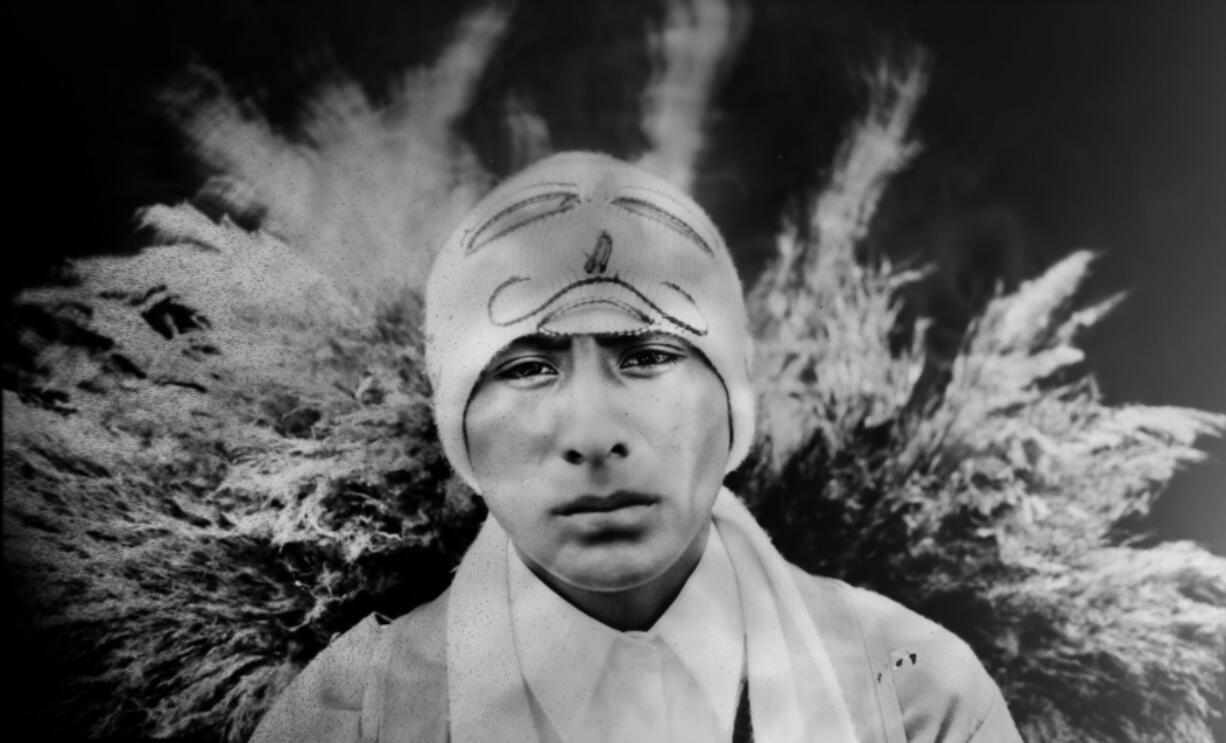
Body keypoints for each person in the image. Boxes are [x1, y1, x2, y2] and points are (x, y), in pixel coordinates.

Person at [250, 152, 1023, 743]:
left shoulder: (915, 698)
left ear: (733, 401)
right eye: (526, 367)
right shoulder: (351, 716)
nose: (592, 434)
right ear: (461, 435)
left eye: (647, 355)